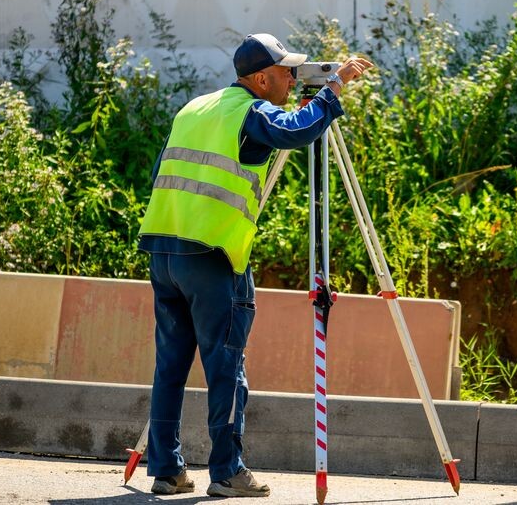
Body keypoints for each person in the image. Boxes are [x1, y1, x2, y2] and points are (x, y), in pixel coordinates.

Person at [137, 33, 372, 498]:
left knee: (170, 367)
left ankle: (167, 471)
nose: (291, 80)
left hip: (164, 249)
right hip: (213, 254)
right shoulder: (252, 111)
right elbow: (296, 131)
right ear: (261, 79)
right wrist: (333, 90)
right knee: (225, 367)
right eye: (286, 73)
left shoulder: (196, 107)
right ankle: (227, 472)